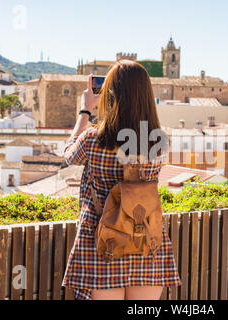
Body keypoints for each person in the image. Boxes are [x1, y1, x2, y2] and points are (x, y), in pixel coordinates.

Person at [62, 60, 181, 300]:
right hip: (146, 239)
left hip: (103, 241)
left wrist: (85, 111)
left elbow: (68, 155)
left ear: (109, 95)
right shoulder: (159, 143)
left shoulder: (92, 141)